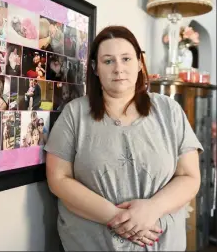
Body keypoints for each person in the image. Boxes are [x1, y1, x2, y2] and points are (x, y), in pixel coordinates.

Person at [44, 25, 203, 251]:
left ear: (139, 63)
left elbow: (189, 176)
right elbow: (58, 179)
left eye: (126, 59)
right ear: (95, 68)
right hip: (92, 243)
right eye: (108, 61)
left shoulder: (169, 110)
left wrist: (152, 209)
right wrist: (117, 218)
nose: (118, 68)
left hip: (163, 242)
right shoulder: (74, 114)